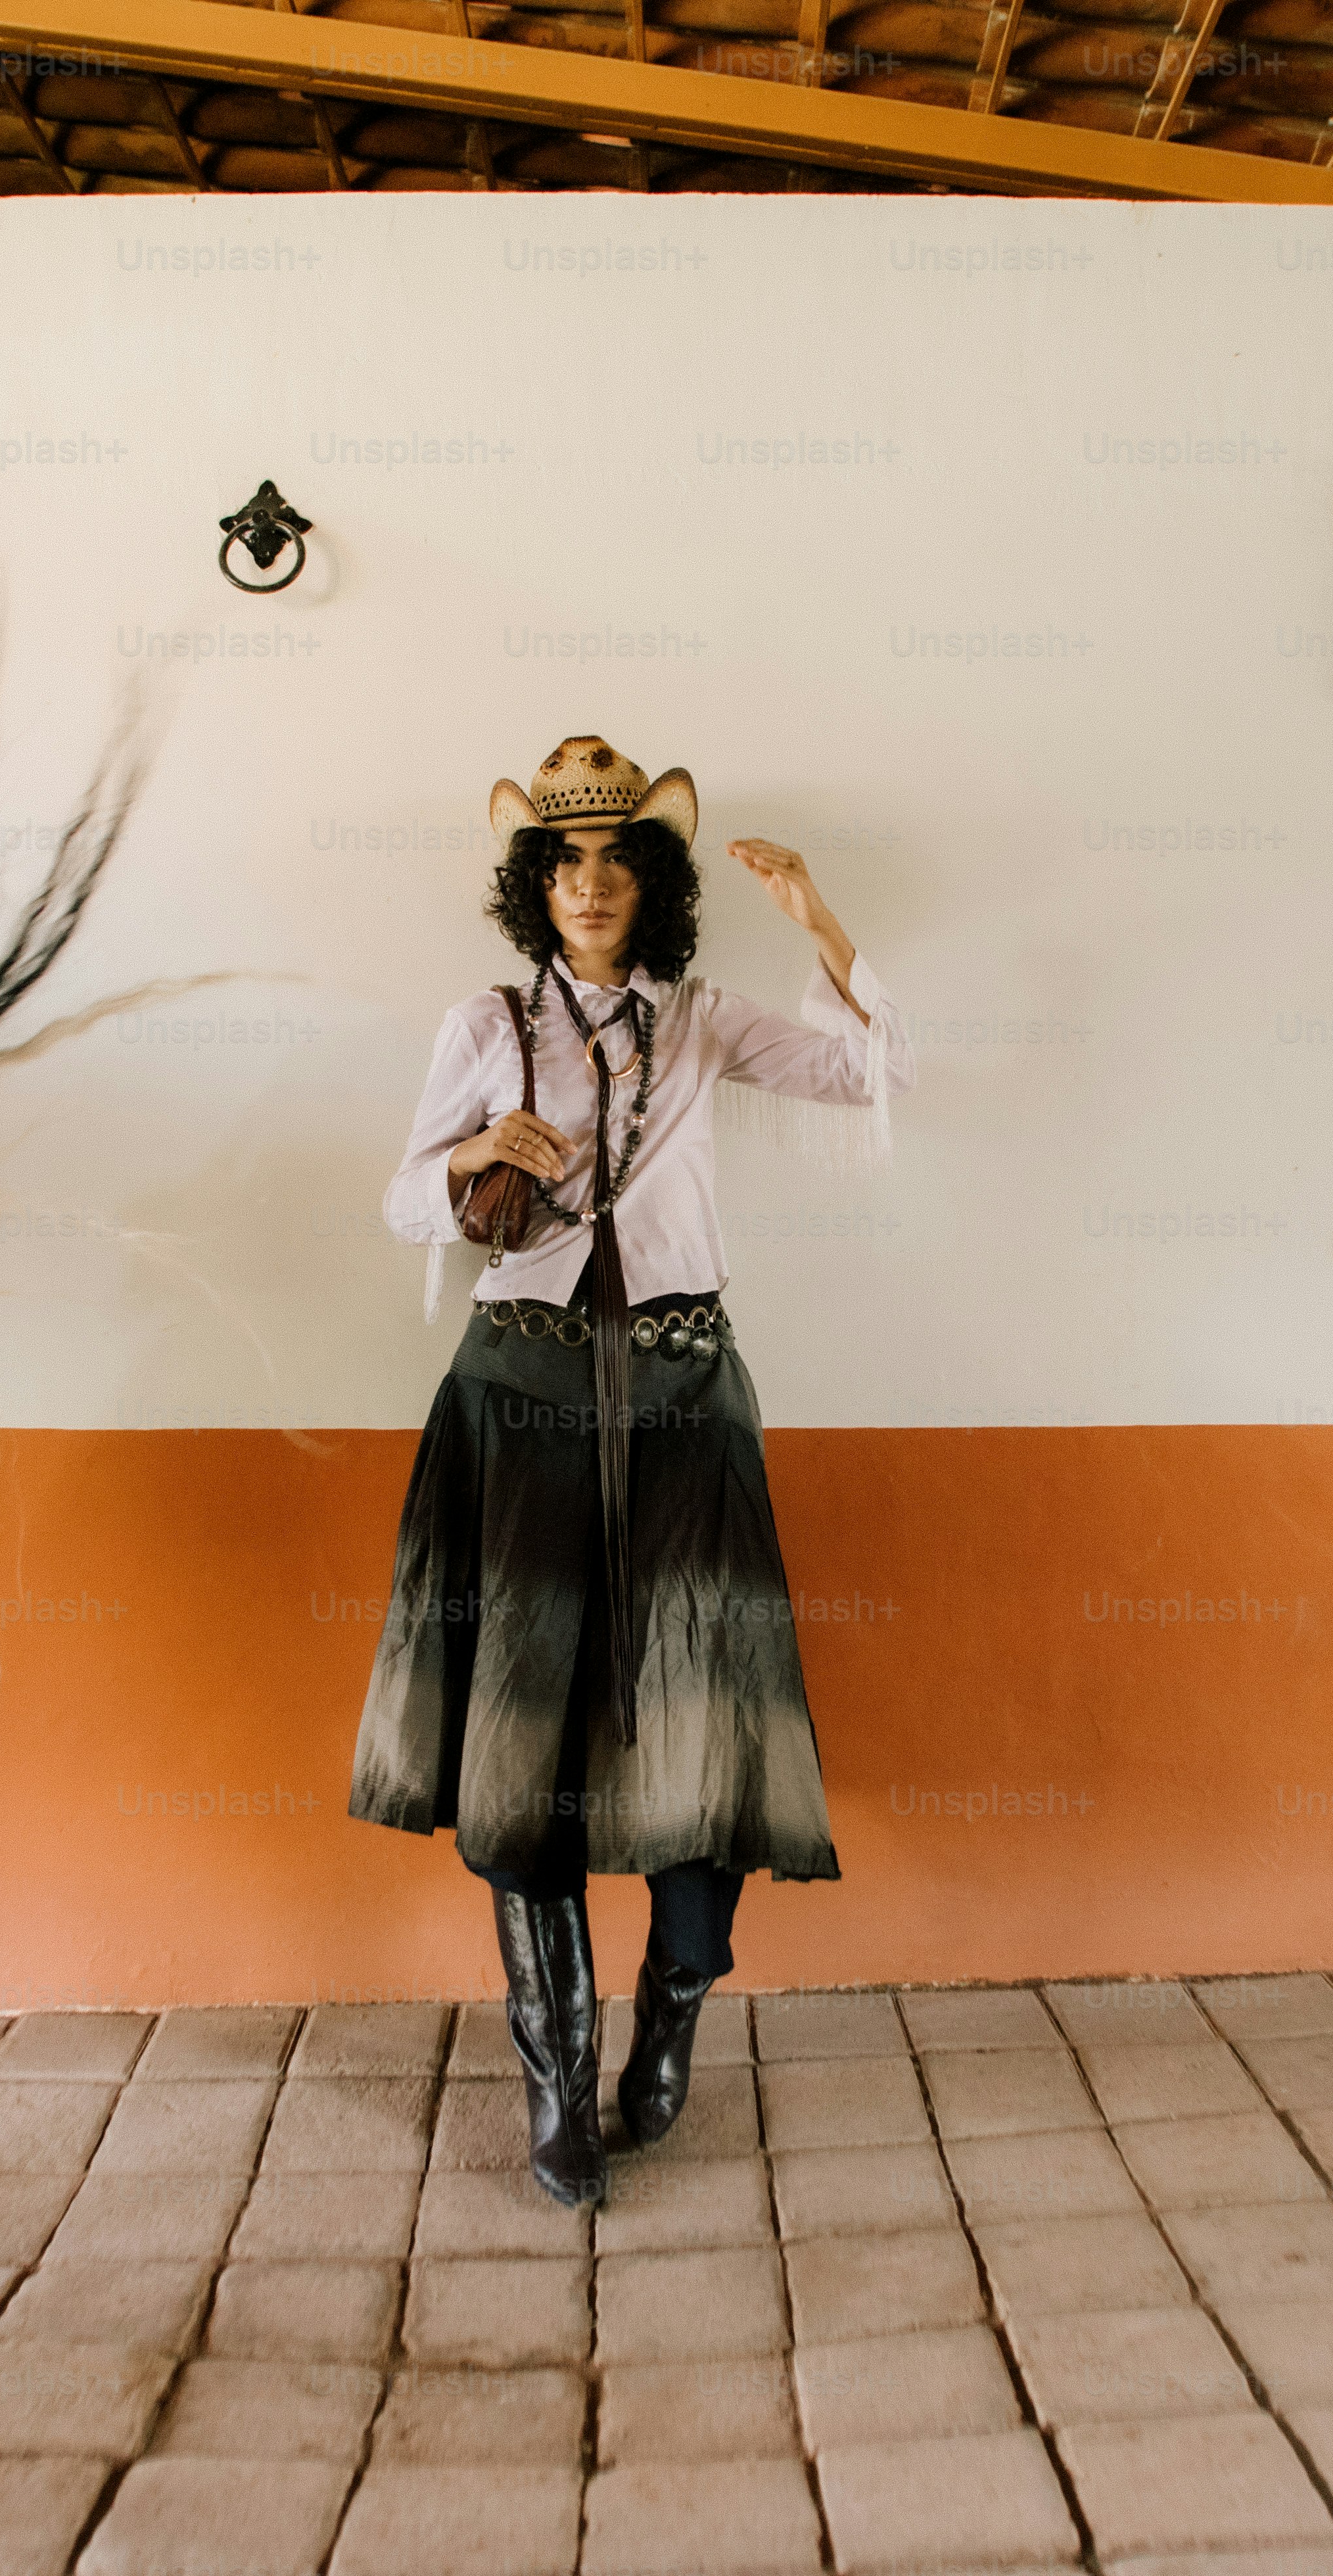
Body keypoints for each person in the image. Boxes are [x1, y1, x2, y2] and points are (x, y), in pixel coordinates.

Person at [351, 735, 913, 2207]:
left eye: (614, 861)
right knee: (515, 1734)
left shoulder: (707, 1016)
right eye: (563, 860)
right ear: (533, 882)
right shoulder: (482, 1020)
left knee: (707, 1715)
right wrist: (483, 1137)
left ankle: (671, 2014)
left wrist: (824, 926)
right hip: (516, 1392)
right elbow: (410, 1200)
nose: (589, 883)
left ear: (646, 883)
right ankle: (557, 2088)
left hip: (681, 1391)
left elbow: (867, 1072)